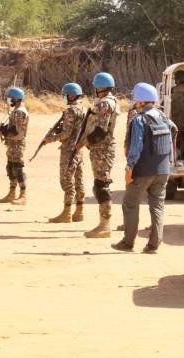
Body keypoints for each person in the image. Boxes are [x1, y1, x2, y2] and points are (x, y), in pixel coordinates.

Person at [112, 83, 176, 254]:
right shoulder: (163, 116)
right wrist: (169, 158)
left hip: (142, 171)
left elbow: (136, 147)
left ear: (140, 101)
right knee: (157, 206)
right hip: (163, 170)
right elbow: (174, 131)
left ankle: (128, 243)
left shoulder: (139, 120)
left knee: (130, 204)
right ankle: (153, 244)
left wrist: (129, 168)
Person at [81, 72, 120, 238]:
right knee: (100, 185)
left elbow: (101, 131)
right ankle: (103, 224)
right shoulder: (109, 102)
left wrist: (84, 142)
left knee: (101, 186)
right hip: (101, 149)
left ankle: (105, 225)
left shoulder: (104, 104)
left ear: (100, 87)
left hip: (102, 149)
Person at [43, 83, 87, 223]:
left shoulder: (71, 111)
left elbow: (66, 134)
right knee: (79, 180)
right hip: (79, 149)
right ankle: (79, 212)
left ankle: (67, 213)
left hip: (69, 150)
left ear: (72, 95)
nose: (64, 98)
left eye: (65, 95)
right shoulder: (84, 109)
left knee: (67, 181)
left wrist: (51, 139)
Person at [0, 87, 29, 205]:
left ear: (16, 99)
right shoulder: (16, 110)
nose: (9, 100)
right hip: (12, 143)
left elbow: (15, 131)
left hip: (17, 143)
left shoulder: (19, 112)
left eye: (10, 98)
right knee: (10, 167)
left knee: (17, 168)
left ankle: (23, 195)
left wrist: (2, 132)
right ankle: (11, 193)